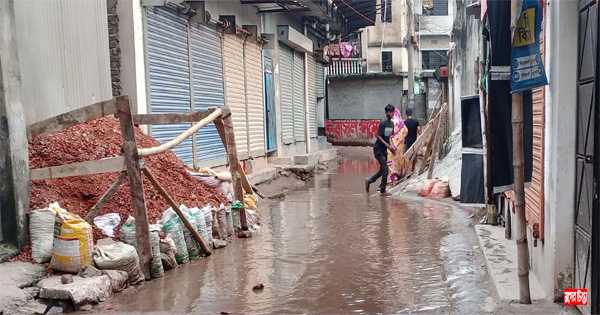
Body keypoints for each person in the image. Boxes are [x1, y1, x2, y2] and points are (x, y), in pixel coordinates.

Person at [365, 104, 396, 196]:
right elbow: (378, 136)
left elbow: (390, 137)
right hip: (378, 149)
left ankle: (369, 180)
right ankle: (383, 190)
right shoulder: (383, 123)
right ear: (386, 113)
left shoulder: (392, 124)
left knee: (383, 169)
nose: (391, 113)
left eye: (392, 112)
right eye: (389, 112)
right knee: (385, 169)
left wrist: (392, 148)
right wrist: (388, 145)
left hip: (384, 150)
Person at [387, 109, 408, 185]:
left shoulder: (390, 122)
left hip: (391, 146)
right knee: (399, 162)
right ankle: (400, 177)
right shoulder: (401, 122)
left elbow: (387, 135)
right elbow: (405, 131)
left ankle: (393, 182)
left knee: (391, 164)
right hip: (400, 146)